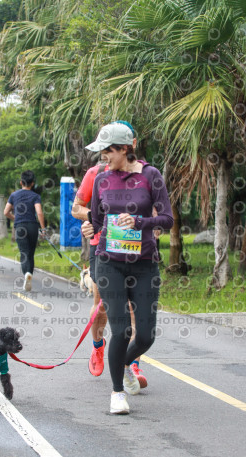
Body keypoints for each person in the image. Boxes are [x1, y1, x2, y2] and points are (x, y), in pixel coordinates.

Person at [82, 122, 173, 414]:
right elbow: (96, 220)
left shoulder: (151, 176)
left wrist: (141, 223)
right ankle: (117, 393)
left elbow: (168, 219)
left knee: (146, 335)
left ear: (124, 149)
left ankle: (123, 363)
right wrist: (88, 227)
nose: (103, 158)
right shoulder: (101, 179)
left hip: (144, 264)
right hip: (109, 263)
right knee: (121, 330)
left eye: (107, 151)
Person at [71, 121, 148, 388]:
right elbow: (77, 208)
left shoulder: (145, 174)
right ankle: (97, 345)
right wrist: (94, 219)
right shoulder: (96, 173)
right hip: (101, 247)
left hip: (134, 249)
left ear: (131, 145)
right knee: (103, 305)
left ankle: (132, 363)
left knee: (134, 307)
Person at [4, 170, 46, 292]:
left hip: (20, 226)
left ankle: (26, 274)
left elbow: (6, 212)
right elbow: (39, 212)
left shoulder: (14, 195)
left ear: (21, 182)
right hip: (33, 226)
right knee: (31, 254)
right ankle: (29, 274)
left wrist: (15, 218)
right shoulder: (35, 196)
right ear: (32, 183)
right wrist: (43, 229)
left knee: (24, 253)